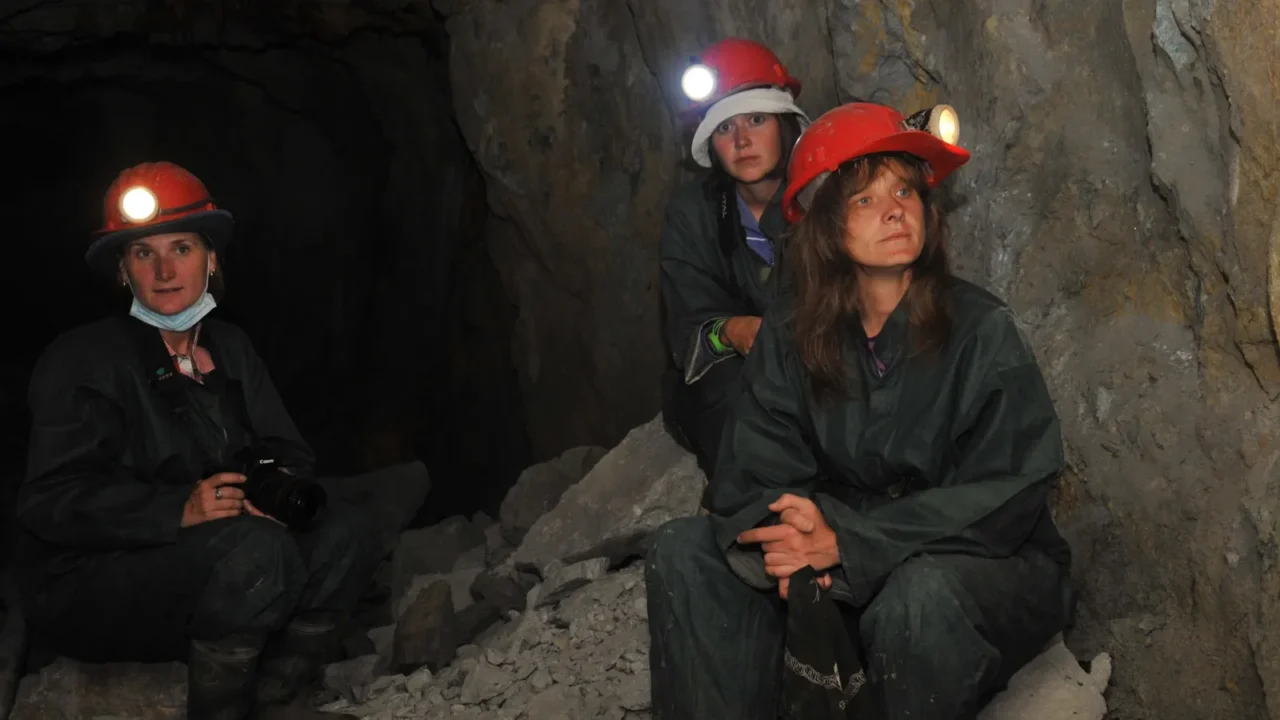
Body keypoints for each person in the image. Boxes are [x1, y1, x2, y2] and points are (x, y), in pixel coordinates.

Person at [646, 103, 1073, 719]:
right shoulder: (793, 335)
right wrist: (793, 543)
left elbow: (1007, 493)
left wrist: (846, 542)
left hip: (980, 565)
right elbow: (755, 466)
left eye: (904, 190)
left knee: (916, 596)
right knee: (683, 551)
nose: (895, 209)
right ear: (824, 225)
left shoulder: (980, 329)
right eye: (864, 200)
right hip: (844, 552)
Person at [14, 161, 381, 720]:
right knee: (258, 555)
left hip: (210, 564)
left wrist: (270, 490)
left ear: (211, 260)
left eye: (181, 248)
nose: (164, 270)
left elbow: (291, 453)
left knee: (343, 530)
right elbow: (49, 502)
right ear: (122, 272)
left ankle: (280, 696)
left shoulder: (231, 350)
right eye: (143, 253)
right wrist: (178, 508)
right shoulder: (83, 360)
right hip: (90, 581)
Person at [660, 37, 811, 482]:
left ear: (785, 125)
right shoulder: (695, 213)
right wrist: (732, 331)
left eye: (757, 119)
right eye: (725, 128)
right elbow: (686, 330)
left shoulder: (828, 196)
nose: (742, 140)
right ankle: (756, 516)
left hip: (821, 362)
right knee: (723, 393)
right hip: (734, 378)